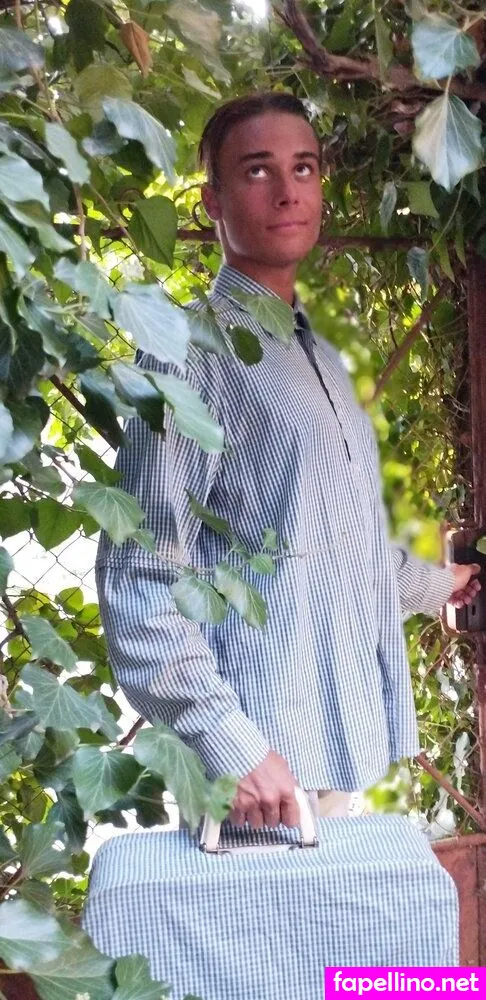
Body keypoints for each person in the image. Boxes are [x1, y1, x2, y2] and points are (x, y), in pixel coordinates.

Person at [95, 91, 481, 831]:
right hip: (261, 770)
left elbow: (338, 543)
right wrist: (230, 745)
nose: (286, 190)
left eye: (303, 167)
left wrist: (445, 583)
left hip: (340, 744)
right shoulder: (190, 352)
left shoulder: (318, 358)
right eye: (257, 170)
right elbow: (142, 572)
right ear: (211, 201)